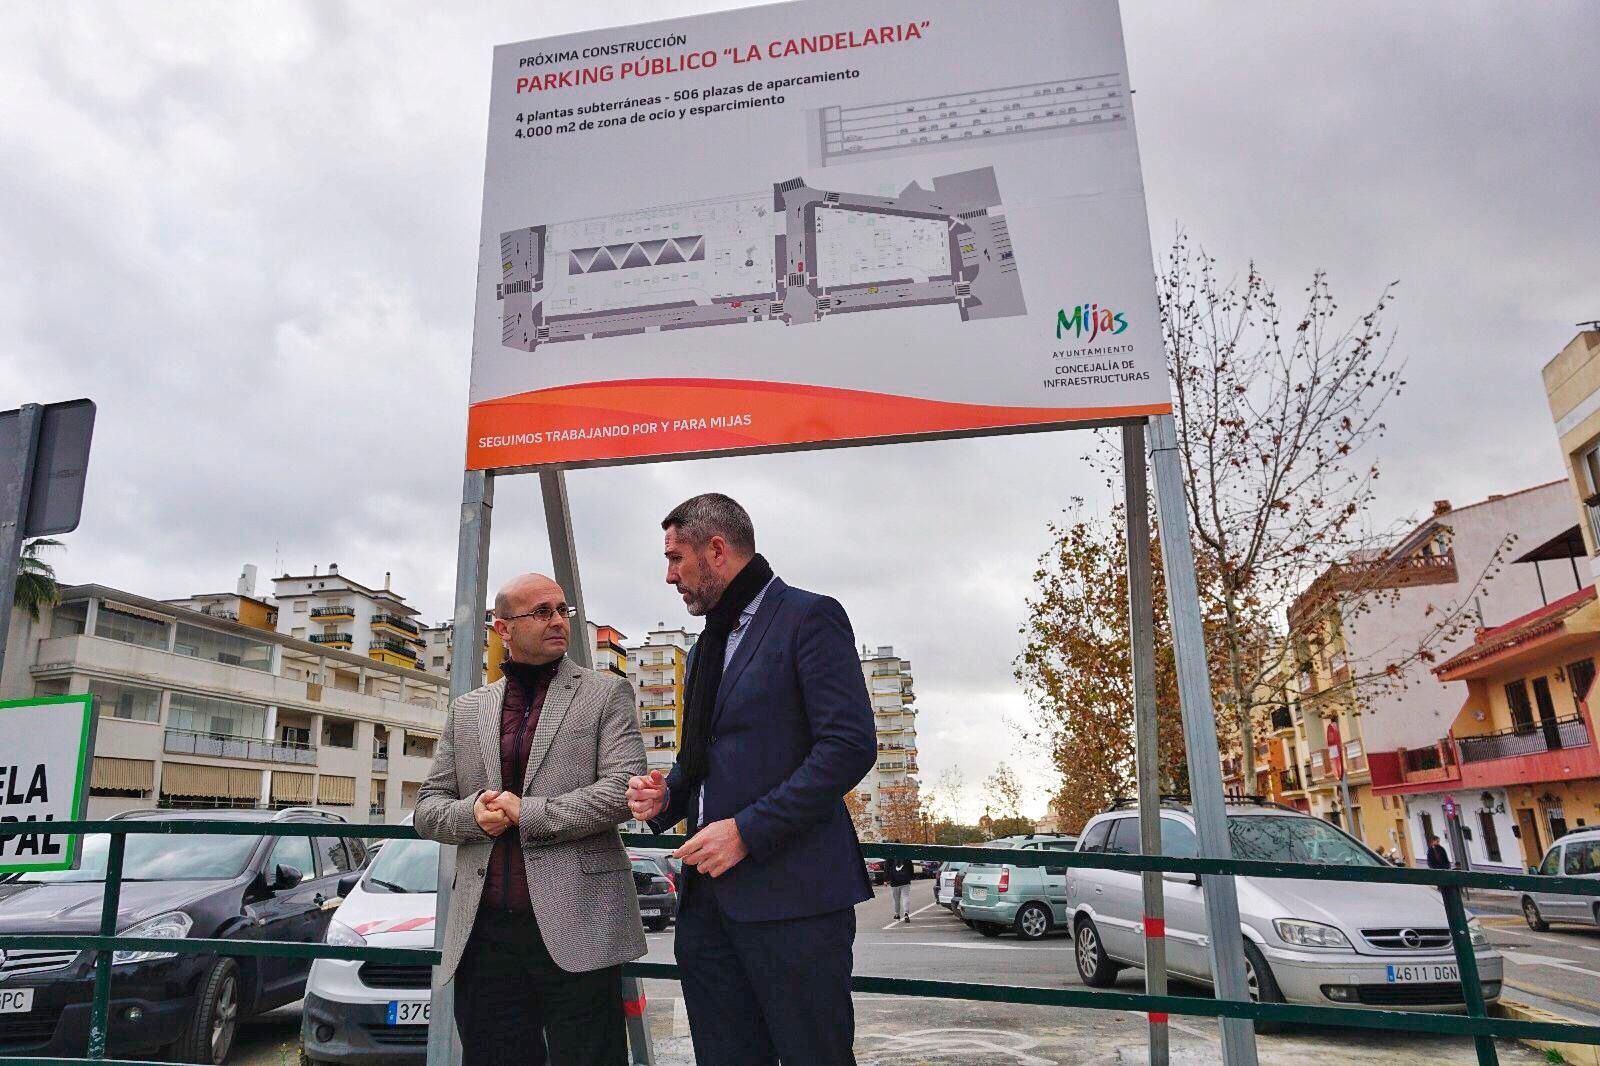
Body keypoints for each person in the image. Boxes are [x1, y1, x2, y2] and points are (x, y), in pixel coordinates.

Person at [626, 493, 877, 1066]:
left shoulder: (809, 617)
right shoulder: (701, 651)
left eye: (676, 558)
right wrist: (667, 796)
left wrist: (747, 831)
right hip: (707, 914)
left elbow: (849, 746)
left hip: (796, 907)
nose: (669, 576)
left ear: (716, 550)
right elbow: (701, 762)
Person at [415, 573, 647, 1066]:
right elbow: (429, 806)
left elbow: (622, 792)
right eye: (542, 612)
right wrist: (473, 814)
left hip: (579, 925)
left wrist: (530, 813)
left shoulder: (606, 694)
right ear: (504, 627)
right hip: (485, 935)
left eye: (563, 610)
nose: (558, 621)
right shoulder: (467, 710)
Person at [885, 846, 916, 922]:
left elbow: (886, 868)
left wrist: (886, 880)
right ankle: (906, 913)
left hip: (894, 882)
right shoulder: (906, 856)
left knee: (896, 899)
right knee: (906, 897)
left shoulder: (890, 856)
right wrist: (911, 877)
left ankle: (897, 914)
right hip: (905, 881)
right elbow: (911, 868)